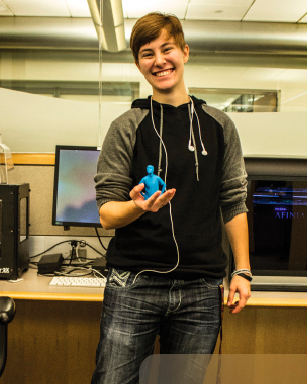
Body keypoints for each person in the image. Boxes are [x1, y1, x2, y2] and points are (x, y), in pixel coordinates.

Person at [92, 12, 251, 384]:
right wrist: (137, 206)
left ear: (185, 52)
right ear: (139, 65)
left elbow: (234, 201)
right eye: (148, 53)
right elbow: (106, 214)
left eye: (167, 49)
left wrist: (241, 270)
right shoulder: (126, 127)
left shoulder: (219, 125)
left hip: (201, 289)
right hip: (135, 284)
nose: (159, 60)